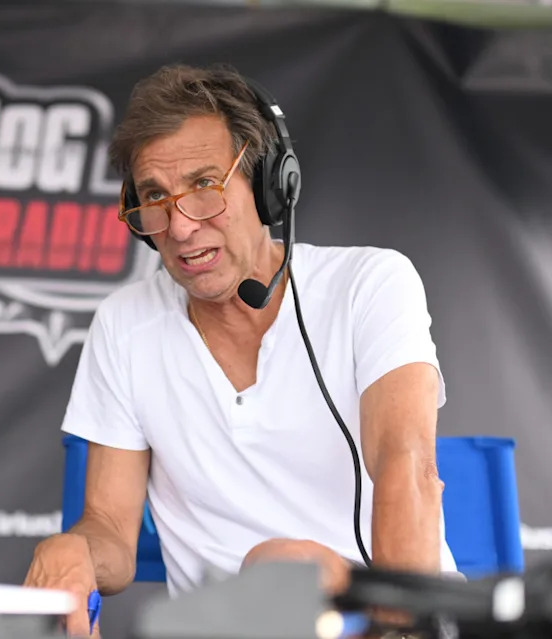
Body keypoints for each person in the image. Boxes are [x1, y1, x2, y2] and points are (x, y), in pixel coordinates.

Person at [23, 63, 458, 636]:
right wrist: (74, 551)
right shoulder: (123, 323)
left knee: (281, 566)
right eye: (155, 197)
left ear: (271, 185)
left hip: (384, 622)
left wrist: (401, 629)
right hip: (222, 628)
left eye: (204, 186)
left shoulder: (370, 284)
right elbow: (109, 526)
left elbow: (407, 468)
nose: (179, 228)